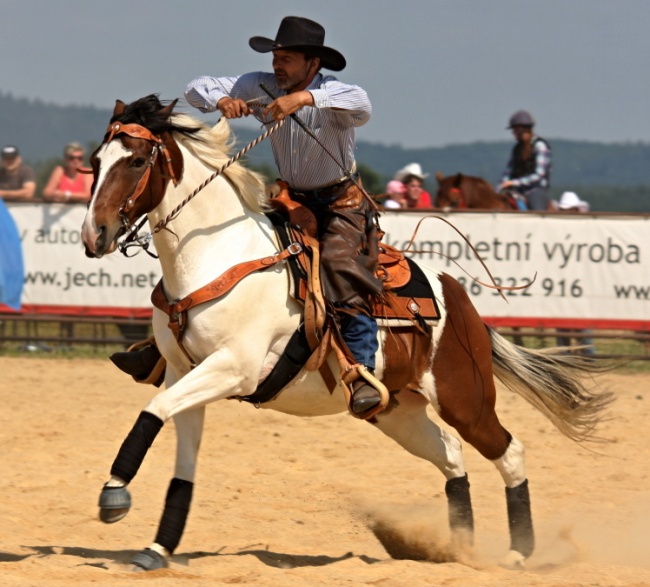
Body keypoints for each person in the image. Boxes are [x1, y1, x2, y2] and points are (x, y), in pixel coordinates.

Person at [113, 16, 385, 415]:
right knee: (227, 247)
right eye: (275, 57)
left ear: (312, 63)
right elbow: (196, 87)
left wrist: (303, 99)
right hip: (291, 199)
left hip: (341, 203)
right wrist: (221, 101)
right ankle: (164, 346)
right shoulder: (259, 85)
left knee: (339, 265)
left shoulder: (333, 92)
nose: (277, 64)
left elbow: (362, 103)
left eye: (287, 58)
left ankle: (361, 368)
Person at [554, 191, 594, 355]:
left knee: (581, 326)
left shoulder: (583, 229)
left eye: (568, 209)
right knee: (562, 324)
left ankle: (587, 356)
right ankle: (573, 357)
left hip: (577, 283)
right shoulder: (584, 229)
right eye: (563, 210)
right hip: (563, 283)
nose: (565, 213)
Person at [497, 110, 551, 211]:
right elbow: (508, 171)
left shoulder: (540, 146)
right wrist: (500, 187)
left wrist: (515, 182)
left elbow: (539, 175)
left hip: (535, 190)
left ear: (522, 130)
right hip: (517, 190)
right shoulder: (517, 148)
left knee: (537, 213)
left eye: (515, 130)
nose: (513, 133)